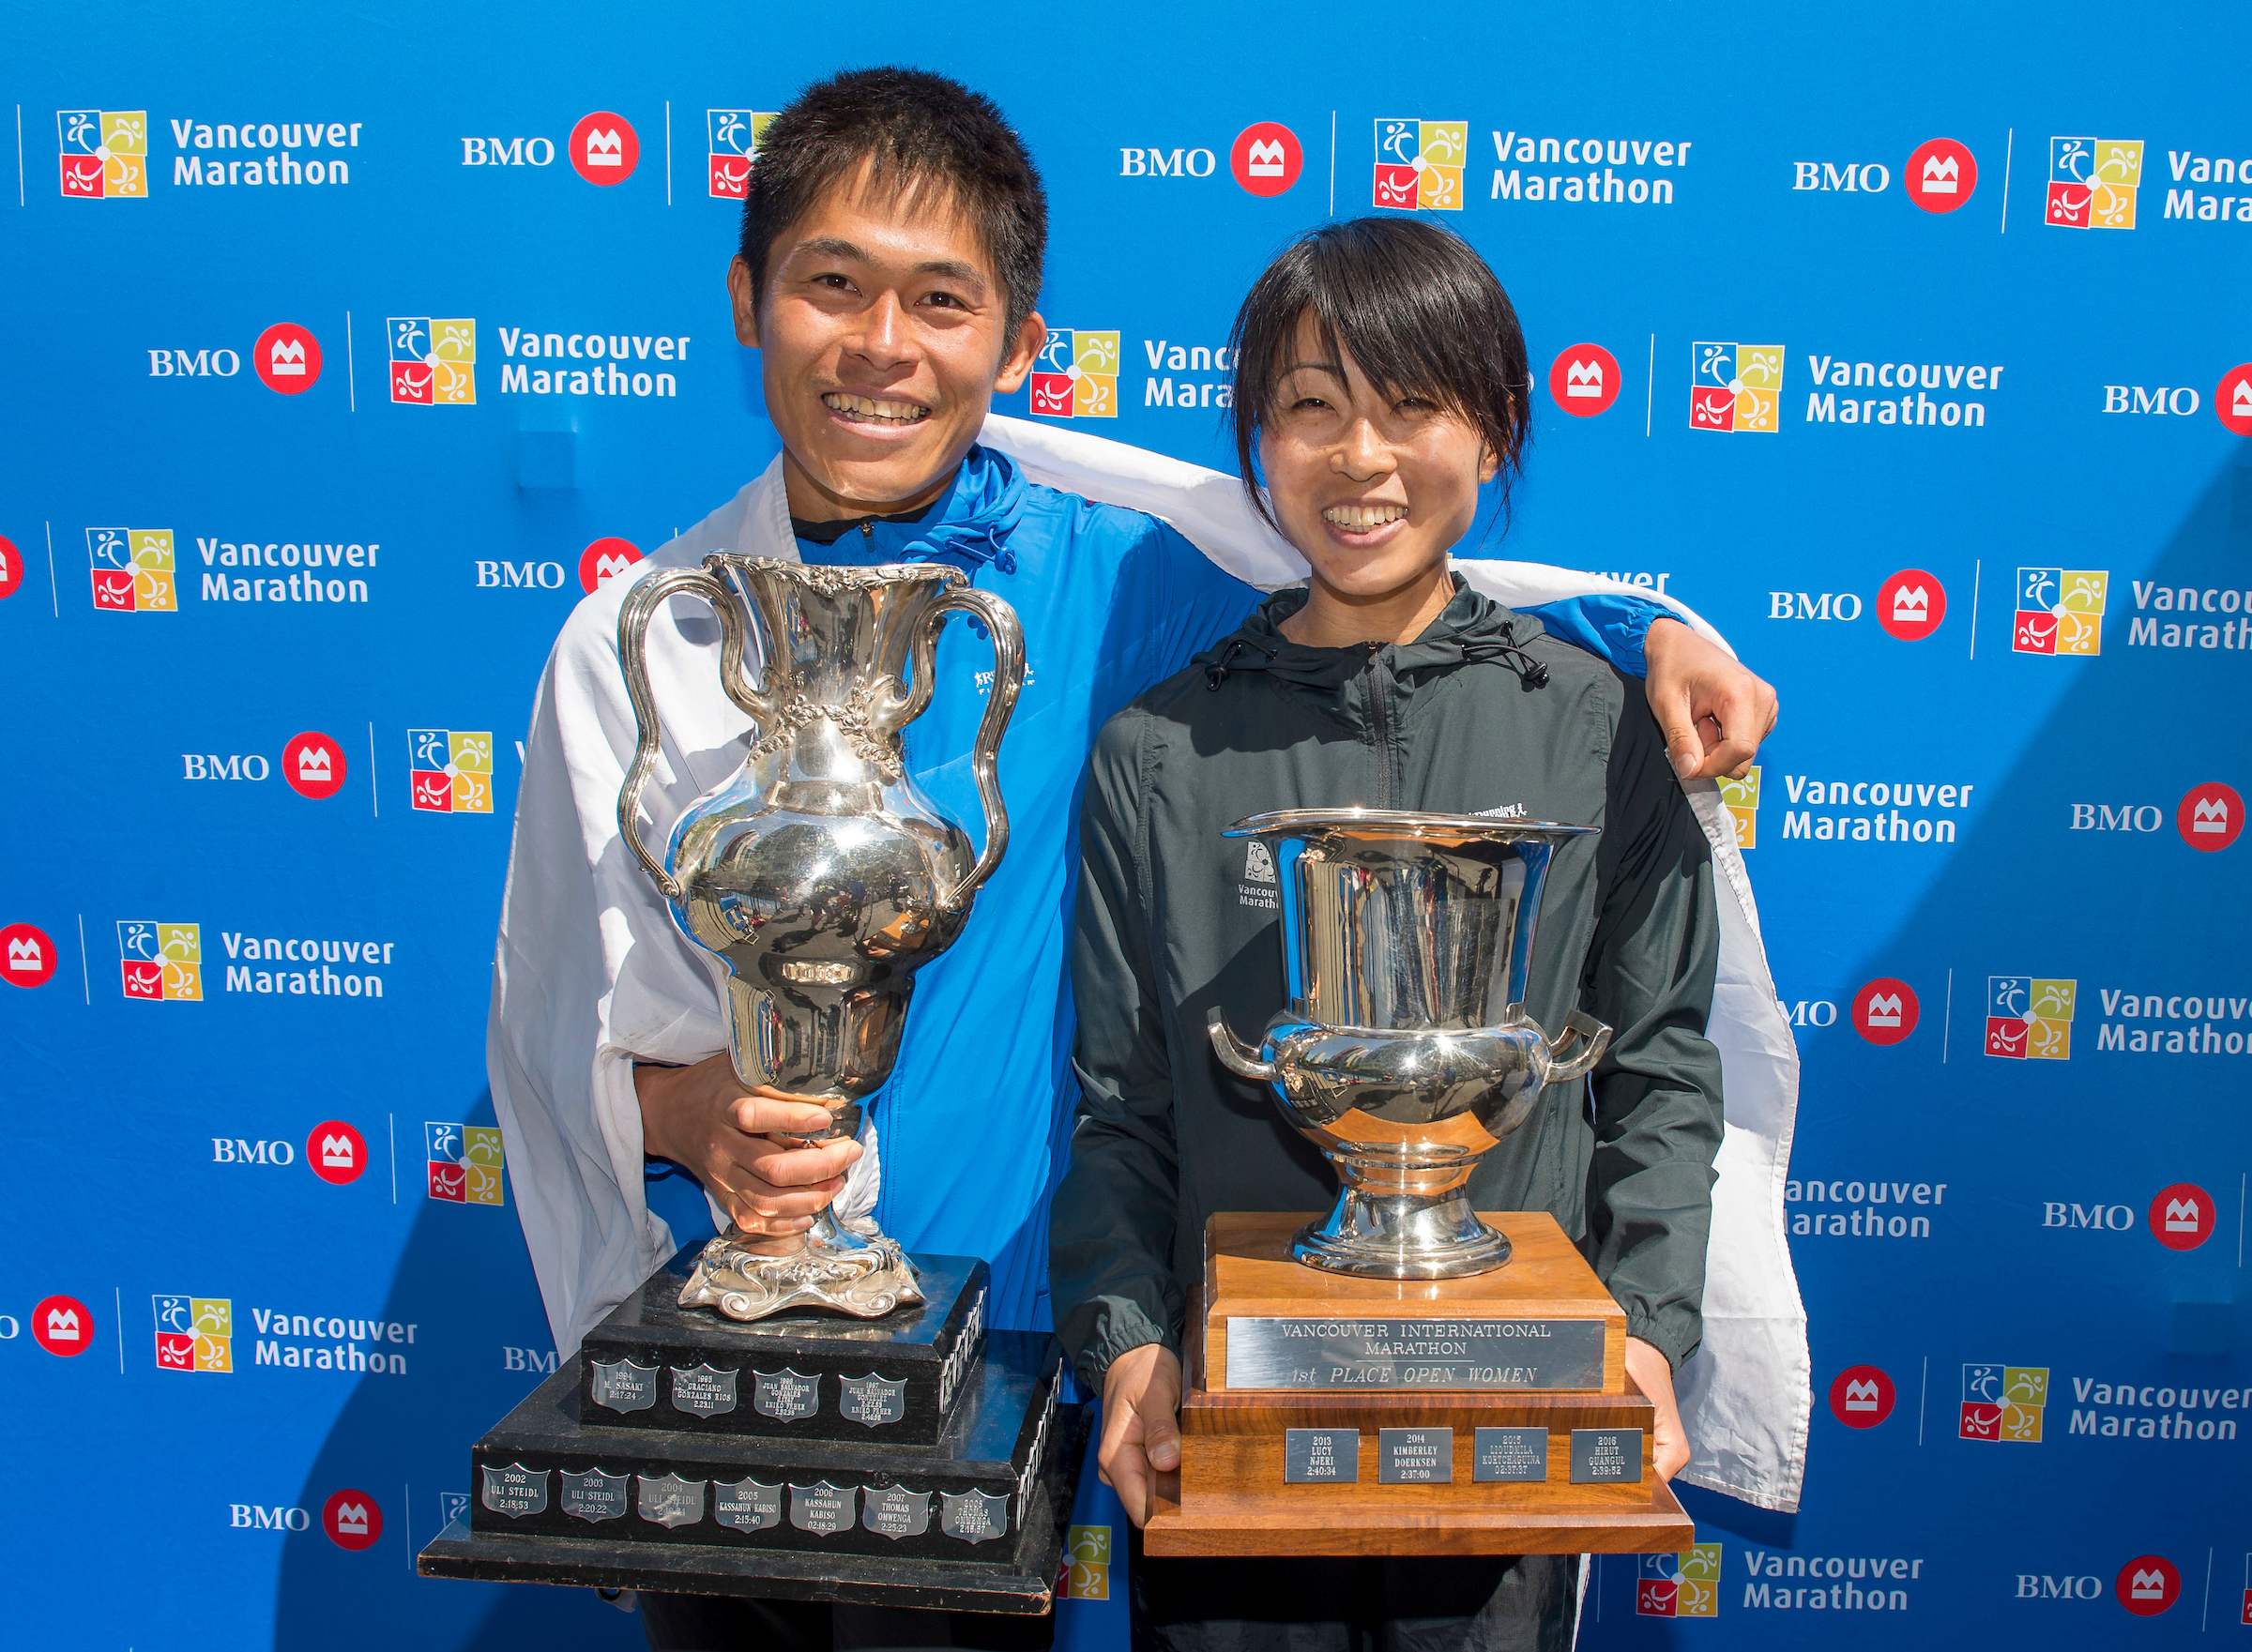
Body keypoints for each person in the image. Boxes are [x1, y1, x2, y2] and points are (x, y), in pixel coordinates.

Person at [485, 68, 1792, 1652]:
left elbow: (1396, 592)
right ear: (751, 297)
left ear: (1019, 343)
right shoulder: (640, 642)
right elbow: (558, 1024)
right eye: (833, 283)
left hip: (1011, 1351)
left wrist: (1653, 633)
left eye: (942, 300)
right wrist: (687, 1107)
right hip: (749, 1355)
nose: (883, 344)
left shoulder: (1124, 588)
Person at [1051, 217, 1733, 1650]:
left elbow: (1662, 1071)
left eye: (1412, 402)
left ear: (1492, 435)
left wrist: (1650, 1333)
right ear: (1257, 445)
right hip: (1235, 1464)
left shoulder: (1600, 729)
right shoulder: (1159, 751)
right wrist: (1125, 1347)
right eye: (1310, 406)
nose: (1361, 457)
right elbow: (1119, 1113)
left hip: (1504, 1457)